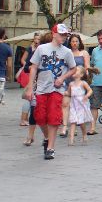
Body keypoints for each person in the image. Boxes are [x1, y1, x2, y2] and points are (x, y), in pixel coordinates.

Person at [24, 28, 76, 159]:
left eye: (65, 35)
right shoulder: (41, 49)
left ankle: (50, 148)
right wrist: (30, 87)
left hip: (57, 89)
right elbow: (33, 67)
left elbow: (73, 68)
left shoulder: (67, 51)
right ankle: (47, 137)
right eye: (61, 34)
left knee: (53, 116)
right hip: (41, 88)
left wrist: (62, 78)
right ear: (54, 34)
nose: (64, 37)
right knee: (40, 117)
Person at [59, 33, 90, 138]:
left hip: (78, 83)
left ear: (79, 42)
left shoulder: (84, 53)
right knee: (65, 104)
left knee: (76, 105)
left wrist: (87, 75)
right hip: (68, 81)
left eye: (76, 41)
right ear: (70, 43)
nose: (74, 43)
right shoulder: (66, 52)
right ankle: (64, 127)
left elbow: (87, 66)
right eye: (72, 41)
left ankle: (74, 126)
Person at [17, 32, 41, 127]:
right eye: (35, 39)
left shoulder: (40, 48)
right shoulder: (30, 49)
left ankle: (29, 118)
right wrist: (29, 65)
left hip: (36, 74)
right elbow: (23, 60)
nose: (37, 41)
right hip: (31, 74)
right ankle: (23, 119)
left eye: (38, 39)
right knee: (29, 97)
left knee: (33, 98)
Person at [65, 66, 93, 145]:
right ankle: (71, 139)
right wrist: (64, 93)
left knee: (81, 122)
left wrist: (86, 96)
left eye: (76, 70)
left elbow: (90, 90)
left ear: (81, 75)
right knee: (73, 121)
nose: (74, 71)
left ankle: (84, 135)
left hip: (81, 104)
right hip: (73, 105)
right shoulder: (71, 84)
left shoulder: (83, 83)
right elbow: (69, 93)